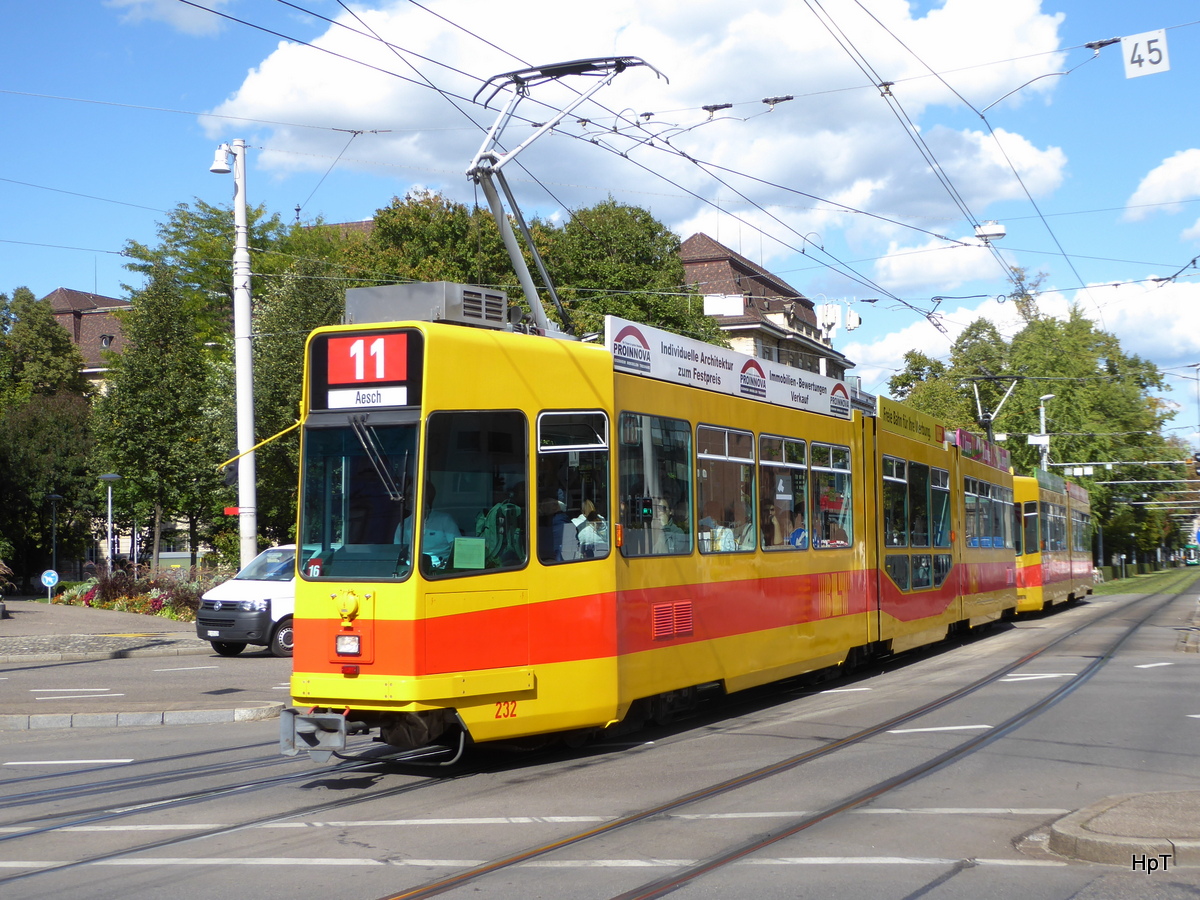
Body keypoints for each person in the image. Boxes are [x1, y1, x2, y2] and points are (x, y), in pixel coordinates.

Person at [395, 483, 461, 566]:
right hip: (410, 571)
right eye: (406, 495)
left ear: (425, 497)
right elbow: (397, 552)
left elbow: (458, 548)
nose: (406, 498)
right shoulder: (403, 524)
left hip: (440, 571)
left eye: (410, 495)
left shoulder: (445, 520)